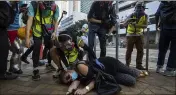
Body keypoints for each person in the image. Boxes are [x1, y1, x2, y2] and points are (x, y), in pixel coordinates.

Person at [59, 57, 147, 95]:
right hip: (109, 75)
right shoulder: (77, 76)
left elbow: (96, 78)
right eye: (69, 80)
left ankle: (138, 71)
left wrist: (85, 90)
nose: (71, 78)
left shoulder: (79, 67)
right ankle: (135, 72)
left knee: (134, 73)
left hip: (111, 64)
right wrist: (69, 89)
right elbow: (75, 83)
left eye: (68, 76)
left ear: (68, 70)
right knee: (131, 81)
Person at [25, 1, 59, 81]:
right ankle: (35, 69)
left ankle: (50, 63)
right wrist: (27, 38)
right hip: (37, 29)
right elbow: (30, 20)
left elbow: (55, 21)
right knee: (37, 47)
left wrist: (55, 32)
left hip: (48, 29)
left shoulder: (55, 7)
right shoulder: (33, 5)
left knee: (51, 46)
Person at [121, 2, 148, 70]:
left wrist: (137, 25)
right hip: (130, 35)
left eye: (141, 8)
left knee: (140, 51)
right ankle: (127, 64)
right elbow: (124, 24)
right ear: (135, 8)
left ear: (144, 9)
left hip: (139, 35)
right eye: (138, 7)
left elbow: (145, 26)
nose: (140, 9)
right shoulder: (131, 15)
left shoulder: (145, 16)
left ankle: (139, 65)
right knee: (129, 50)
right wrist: (128, 21)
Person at [155, 1, 176, 77]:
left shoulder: (163, 3)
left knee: (162, 49)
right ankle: (170, 69)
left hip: (164, 29)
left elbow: (157, 14)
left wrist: (157, 26)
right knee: (174, 50)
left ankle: (159, 67)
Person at [0, 1, 18, 79]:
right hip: (1, 32)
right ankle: (2, 74)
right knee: (3, 52)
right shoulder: (3, 4)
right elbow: (6, 22)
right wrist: (12, 10)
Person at [7, 1, 24, 74]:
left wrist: (20, 11)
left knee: (19, 49)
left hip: (16, 30)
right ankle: (13, 68)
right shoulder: (8, 3)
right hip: (9, 30)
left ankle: (14, 67)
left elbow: (14, 15)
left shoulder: (17, 4)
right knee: (17, 49)